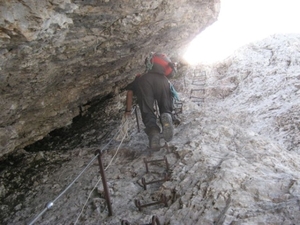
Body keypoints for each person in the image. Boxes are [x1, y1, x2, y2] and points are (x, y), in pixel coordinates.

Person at [125, 52, 177, 150]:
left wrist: (128, 111)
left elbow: (129, 93)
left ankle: (153, 131)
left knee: (147, 110)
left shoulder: (140, 78)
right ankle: (166, 115)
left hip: (145, 82)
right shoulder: (164, 78)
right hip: (163, 81)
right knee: (165, 104)